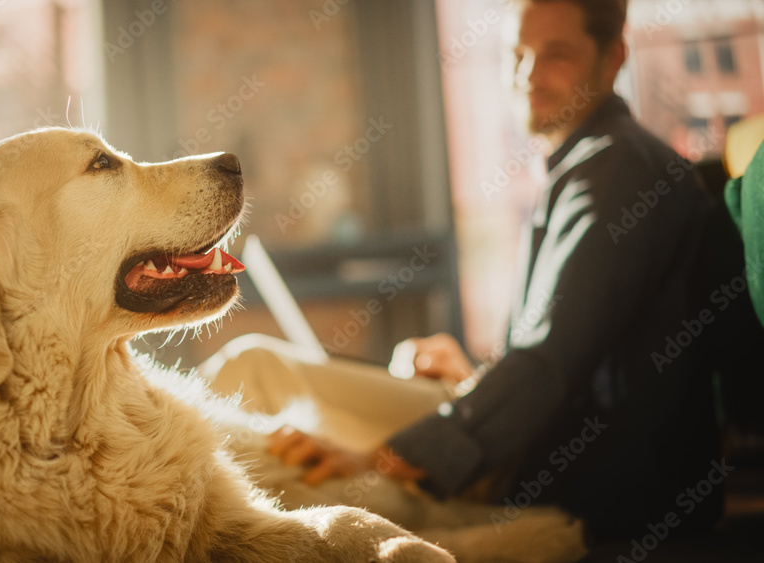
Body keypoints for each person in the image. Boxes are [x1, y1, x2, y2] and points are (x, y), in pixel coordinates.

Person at [201, 0, 728, 542]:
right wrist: (475, 376)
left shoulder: (616, 171)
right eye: (517, 54)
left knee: (251, 372)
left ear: (613, 56)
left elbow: (550, 364)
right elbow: (573, 350)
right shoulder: (599, 163)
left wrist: (385, 460)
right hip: (529, 436)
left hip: (555, 468)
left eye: (557, 54)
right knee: (259, 380)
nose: (528, 75)